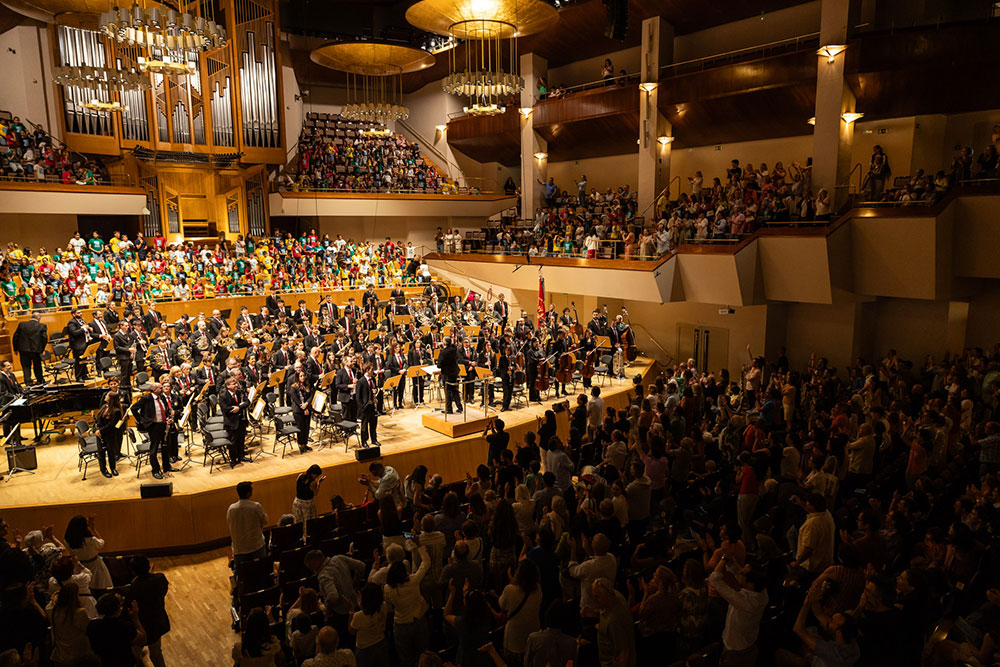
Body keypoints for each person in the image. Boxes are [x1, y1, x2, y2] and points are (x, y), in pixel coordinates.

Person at [126, 555, 170, 667]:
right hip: (156, 621)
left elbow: (129, 609)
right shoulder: (160, 579)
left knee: (134, 653)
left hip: (140, 624)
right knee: (156, 653)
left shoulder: (133, 588)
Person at [87, 593, 147, 667]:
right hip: (123, 663)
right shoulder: (125, 627)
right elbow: (142, 639)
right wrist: (135, 618)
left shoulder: (92, 625)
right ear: (117, 609)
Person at [46, 582, 96, 667]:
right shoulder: (79, 613)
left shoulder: (53, 611)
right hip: (78, 655)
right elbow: (88, 629)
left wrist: (54, 597)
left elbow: (49, 606)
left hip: (60, 655)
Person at [135, 382, 176, 479]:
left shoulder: (162, 397)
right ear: (154, 390)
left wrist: (168, 418)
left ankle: (167, 467)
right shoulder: (146, 398)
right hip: (154, 426)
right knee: (154, 449)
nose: (163, 389)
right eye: (160, 388)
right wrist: (142, 420)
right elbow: (134, 408)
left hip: (163, 424)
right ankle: (155, 470)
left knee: (165, 446)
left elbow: (165, 409)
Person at [592, 577, 635, 667]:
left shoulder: (614, 622)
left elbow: (623, 652)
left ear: (608, 595)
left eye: (597, 596)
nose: (594, 600)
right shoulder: (615, 595)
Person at [64, 514, 112, 589]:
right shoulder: (91, 540)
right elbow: (101, 542)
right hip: (96, 566)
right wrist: (93, 529)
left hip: (79, 567)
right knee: (100, 588)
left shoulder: (67, 541)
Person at [228, 481, 268, 566]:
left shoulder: (231, 509)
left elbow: (230, 524)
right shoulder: (256, 507)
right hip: (256, 547)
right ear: (248, 493)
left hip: (239, 549)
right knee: (261, 569)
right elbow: (265, 521)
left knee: (243, 573)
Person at [350, 583, 389, 667]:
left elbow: (351, 631)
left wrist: (351, 613)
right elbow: (372, 608)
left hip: (364, 649)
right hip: (381, 643)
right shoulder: (384, 606)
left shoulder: (358, 616)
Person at [94, 379, 124, 477]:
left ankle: (113, 468)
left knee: (111, 452)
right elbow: (98, 420)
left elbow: (111, 425)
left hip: (109, 434)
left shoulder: (116, 411)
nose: (105, 396)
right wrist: (96, 430)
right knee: (101, 453)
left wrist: (101, 431)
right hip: (100, 434)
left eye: (107, 396)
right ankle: (104, 470)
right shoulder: (104, 407)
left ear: (111, 398)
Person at [221, 377, 251, 465]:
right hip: (231, 422)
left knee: (241, 439)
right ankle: (233, 459)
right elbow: (225, 409)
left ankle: (241, 456)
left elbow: (247, 402)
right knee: (233, 442)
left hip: (241, 419)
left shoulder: (238, 392)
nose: (236, 385)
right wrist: (237, 406)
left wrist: (239, 407)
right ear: (228, 386)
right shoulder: (223, 395)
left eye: (236, 384)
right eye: (234, 384)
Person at [11, 313, 46, 386]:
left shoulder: (22, 324)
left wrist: (15, 349)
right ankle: (40, 381)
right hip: (36, 350)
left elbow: (15, 337)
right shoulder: (42, 326)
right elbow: (44, 339)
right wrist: (42, 350)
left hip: (23, 350)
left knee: (26, 366)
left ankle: (28, 383)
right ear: (39, 319)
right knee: (37, 366)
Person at [356, 363, 380, 447]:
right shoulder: (361, 381)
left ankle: (374, 439)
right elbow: (358, 397)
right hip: (365, 406)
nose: (373, 371)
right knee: (364, 426)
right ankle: (364, 441)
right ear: (367, 370)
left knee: (373, 424)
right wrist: (362, 407)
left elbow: (375, 388)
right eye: (372, 369)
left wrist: (375, 390)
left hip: (373, 405)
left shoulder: (372, 379)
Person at [438, 336, 462, 414]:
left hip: (447, 374)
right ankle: (459, 407)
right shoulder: (454, 348)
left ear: (444, 343)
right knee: (455, 390)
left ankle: (449, 409)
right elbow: (453, 345)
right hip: (454, 372)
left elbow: (439, 365)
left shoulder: (443, 352)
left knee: (448, 391)